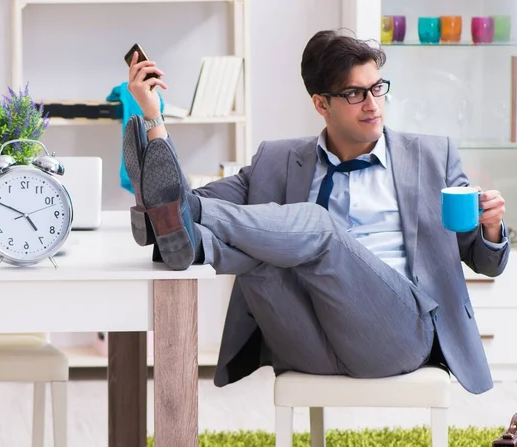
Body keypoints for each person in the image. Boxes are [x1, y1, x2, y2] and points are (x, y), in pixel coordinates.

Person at [123, 29, 509, 395]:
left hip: (398, 334)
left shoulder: (432, 155)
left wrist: (491, 228)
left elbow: (485, 262)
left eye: (377, 88)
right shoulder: (277, 160)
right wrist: (154, 118)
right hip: (303, 334)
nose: (373, 104)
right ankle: (182, 236)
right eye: (356, 94)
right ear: (321, 103)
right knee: (256, 247)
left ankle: (181, 233)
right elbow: (185, 198)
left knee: (318, 227)